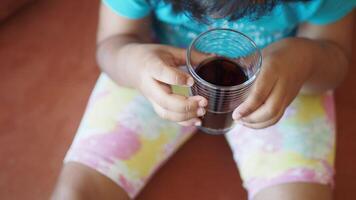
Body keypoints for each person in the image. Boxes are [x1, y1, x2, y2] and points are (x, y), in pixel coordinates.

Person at [52, 0, 355, 199]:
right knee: (77, 192)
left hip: (281, 78)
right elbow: (111, 45)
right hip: (163, 74)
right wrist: (135, 64)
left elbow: (334, 58)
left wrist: (302, 58)